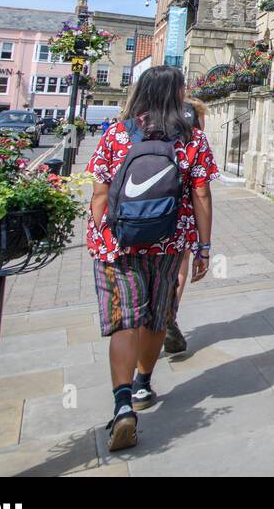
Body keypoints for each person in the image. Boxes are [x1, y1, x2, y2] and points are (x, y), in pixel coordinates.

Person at [86, 65, 219, 451]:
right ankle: (144, 383)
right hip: (167, 242)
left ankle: (123, 402)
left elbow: (99, 192)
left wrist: (105, 234)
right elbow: (202, 197)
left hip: (119, 244)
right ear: (177, 95)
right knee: (156, 314)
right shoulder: (191, 139)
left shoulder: (116, 134)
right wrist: (203, 248)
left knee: (123, 321)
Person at [164, 96, 209, 356]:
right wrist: (205, 245)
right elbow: (201, 190)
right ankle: (169, 313)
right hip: (181, 212)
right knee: (180, 262)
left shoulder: (143, 125)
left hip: (143, 215)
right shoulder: (195, 124)